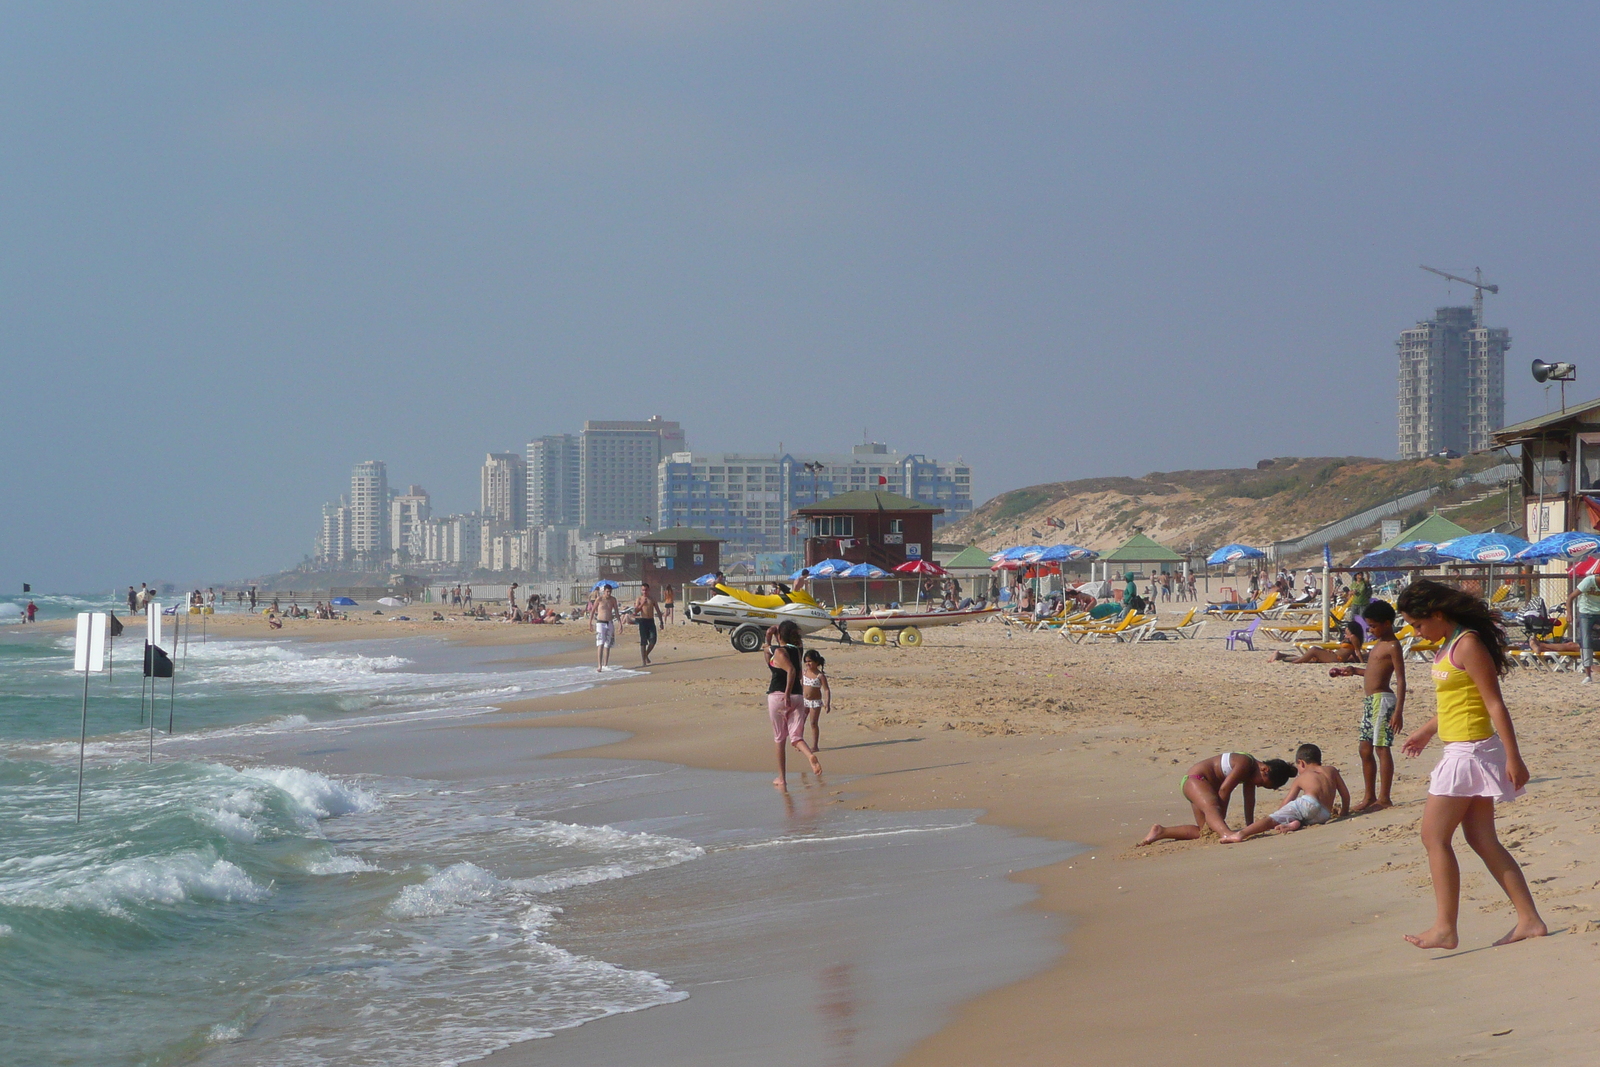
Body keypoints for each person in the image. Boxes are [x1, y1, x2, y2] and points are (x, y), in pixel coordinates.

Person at [1395, 580, 1546, 949]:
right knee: (1480, 838)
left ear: (1438, 614)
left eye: (1418, 624)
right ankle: (1530, 920)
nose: (1417, 632)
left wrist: (1514, 757)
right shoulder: (1449, 644)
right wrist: (1428, 731)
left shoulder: (1469, 644)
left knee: (1433, 836)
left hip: (1471, 752)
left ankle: (1446, 928)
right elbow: (1456, 701)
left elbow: (1494, 704)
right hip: (1460, 747)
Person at [1330, 600, 1407, 811]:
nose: (1371, 630)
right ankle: (1369, 796)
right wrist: (1355, 671)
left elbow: (1400, 678)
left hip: (1383, 700)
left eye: (1373, 626)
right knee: (1365, 749)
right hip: (1371, 701)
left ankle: (1384, 797)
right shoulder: (1379, 645)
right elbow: (1374, 672)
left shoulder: (1392, 645)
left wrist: (1398, 711)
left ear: (1387, 623)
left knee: (1381, 747)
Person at [1137, 752, 1295, 845]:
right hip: (1196, 780)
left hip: (1205, 788)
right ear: (1264, 769)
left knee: (1204, 831)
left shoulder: (1252, 774)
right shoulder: (1245, 763)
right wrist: (1223, 823)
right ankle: (1226, 833)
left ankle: (1161, 832)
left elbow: (1249, 800)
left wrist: (1250, 826)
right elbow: (1225, 789)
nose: (1258, 785)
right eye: (1261, 783)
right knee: (1212, 808)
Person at [1222, 744, 1350, 841]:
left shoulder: (1302, 777)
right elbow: (1345, 794)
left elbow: (1288, 800)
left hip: (1308, 803)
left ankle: (1240, 834)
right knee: (1301, 817)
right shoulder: (1332, 771)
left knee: (1272, 820)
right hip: (1324, 814)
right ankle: (1294, 824)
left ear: (1302, 763)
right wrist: (1344, 812)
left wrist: (1278, 814)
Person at [765, 620, 821, 788]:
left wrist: (769, 635)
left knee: (780, 738)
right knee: (796, 737)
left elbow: (790, 670)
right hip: (799, 696)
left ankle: (782, 778)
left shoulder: (777, 651)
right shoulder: (798, 650)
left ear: (779, 635)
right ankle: (809, 755)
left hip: (779, 696)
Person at [1270, 619, 1365, 664]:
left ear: (1352, 629)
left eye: (1347, 628)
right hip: (1334, 655)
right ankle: (1281, 655)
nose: (1345, 629)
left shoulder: (1353, 637)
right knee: (1310, 657)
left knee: (1314, 650)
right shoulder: (1348, 637)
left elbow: (1356, 651)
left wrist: (1361, 662)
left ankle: (1295, 662)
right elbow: (1352, 652)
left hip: (1337, 658)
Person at [1563, 566, 1600, 683]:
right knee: (1585, 641)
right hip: (1586, 613)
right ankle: (1588, 674)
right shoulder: (1589, 581)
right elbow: (1571, 598)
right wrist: (1569, 613)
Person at [801, 649, 831, 752]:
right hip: (804, 701)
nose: (807, 663)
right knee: (800, 722)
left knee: (813, 723)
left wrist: (827, 703)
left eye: (810, 661)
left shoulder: (820, 675)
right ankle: (799, 743)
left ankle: (814, 745)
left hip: (815, 702)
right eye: (806, 661)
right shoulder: (804, 672)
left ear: (816, 662)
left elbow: (826, 690)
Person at [633, 582, 662, 666]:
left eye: (646, 590)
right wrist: (642, 604)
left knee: (653, 640)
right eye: (643, 590)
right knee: (643, 641)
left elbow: (658, 610)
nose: (645, 592)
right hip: (643, 621)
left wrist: (661, 621)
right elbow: (635, 611)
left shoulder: (652, 599)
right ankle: (644, 661)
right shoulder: (639, 599)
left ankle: (645, 655)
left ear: (649, 590)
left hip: (651, 621)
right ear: (641, 591)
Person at [593, 584, 617, 671]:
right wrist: (590, 623)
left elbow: (616, 611)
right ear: (604, 591)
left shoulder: (613, 599)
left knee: (608, 644)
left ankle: (605, 664)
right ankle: (599, 665)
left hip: (609, 622)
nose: (609, 593)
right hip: (600, 623)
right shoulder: (599, 599)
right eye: (607, 591)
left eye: (610, 592)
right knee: (600, 643)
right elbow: (592, 610)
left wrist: (620, 623)